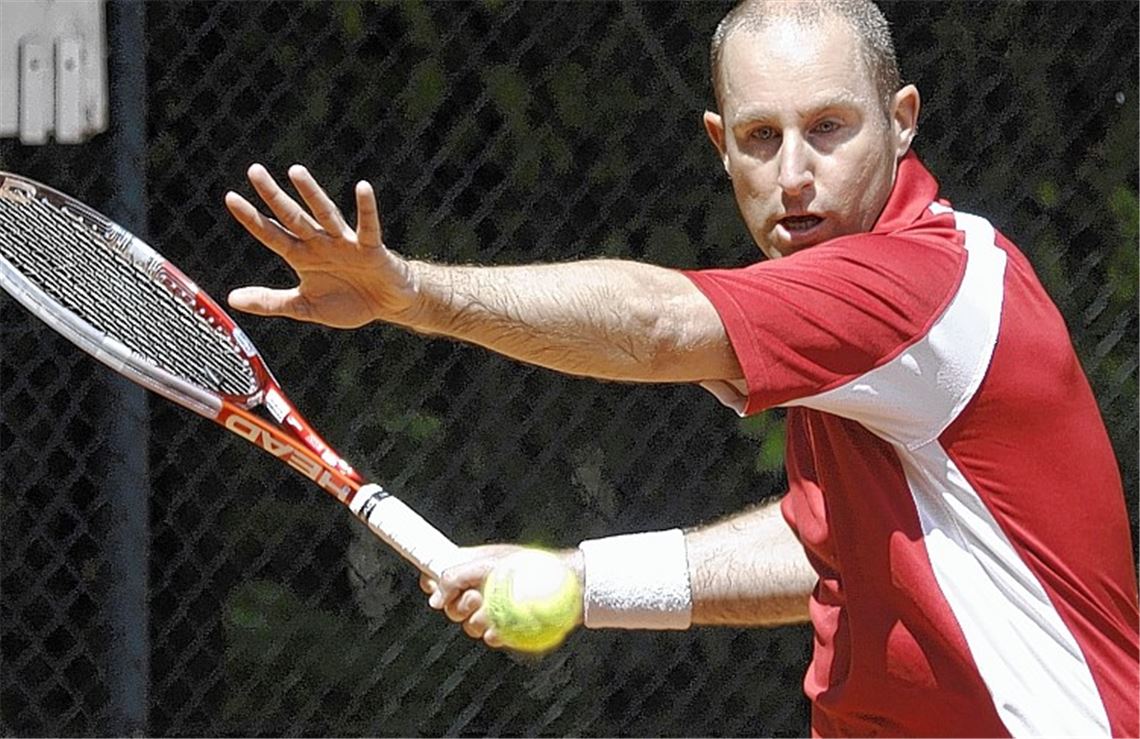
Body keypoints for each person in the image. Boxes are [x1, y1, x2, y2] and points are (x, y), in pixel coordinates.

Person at [223, 0, 1139, 735]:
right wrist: (584, 581)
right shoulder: (864, 343)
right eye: (760, 138)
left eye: (829, 128)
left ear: (902, 124)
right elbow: (825, 548)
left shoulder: (918, 285)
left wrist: (408, 293)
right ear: (718, 143)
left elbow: (657, 322)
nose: (794, 175)